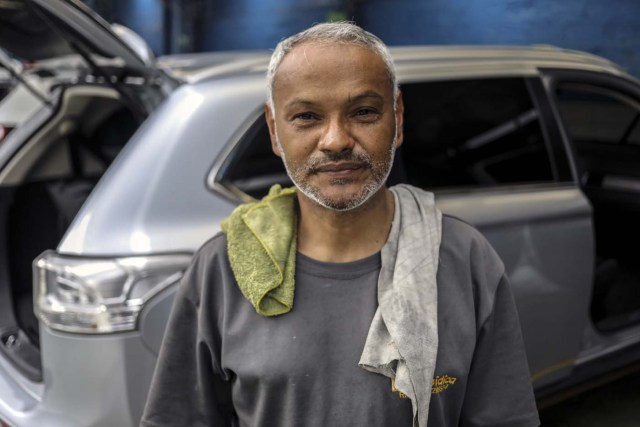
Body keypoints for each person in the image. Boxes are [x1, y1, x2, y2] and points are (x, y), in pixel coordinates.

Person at [141, 22, 540, 427]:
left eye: (363, 112)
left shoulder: (464, 260)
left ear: (398, 118)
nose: (335, 140)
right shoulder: (222, 270)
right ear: (275, 131)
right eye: (307, 116)